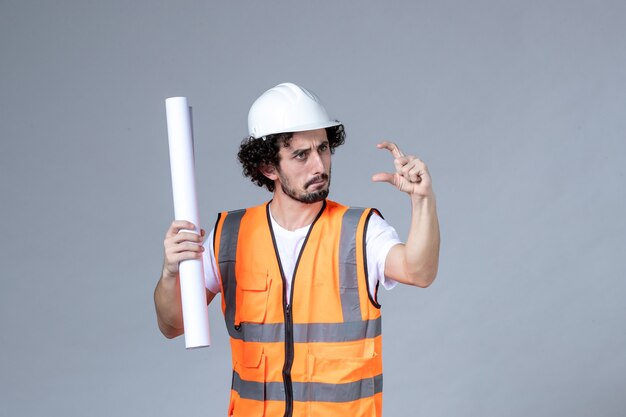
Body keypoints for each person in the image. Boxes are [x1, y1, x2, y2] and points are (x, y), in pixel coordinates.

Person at [154, 82, 440, 417]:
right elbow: (173, 325)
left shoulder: (360, 230)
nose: (319, 166)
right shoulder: (227, 237)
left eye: (323, 148)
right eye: (301, 155)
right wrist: (170, 273)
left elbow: (419, 271)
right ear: (268, 167)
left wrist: (423, 201)